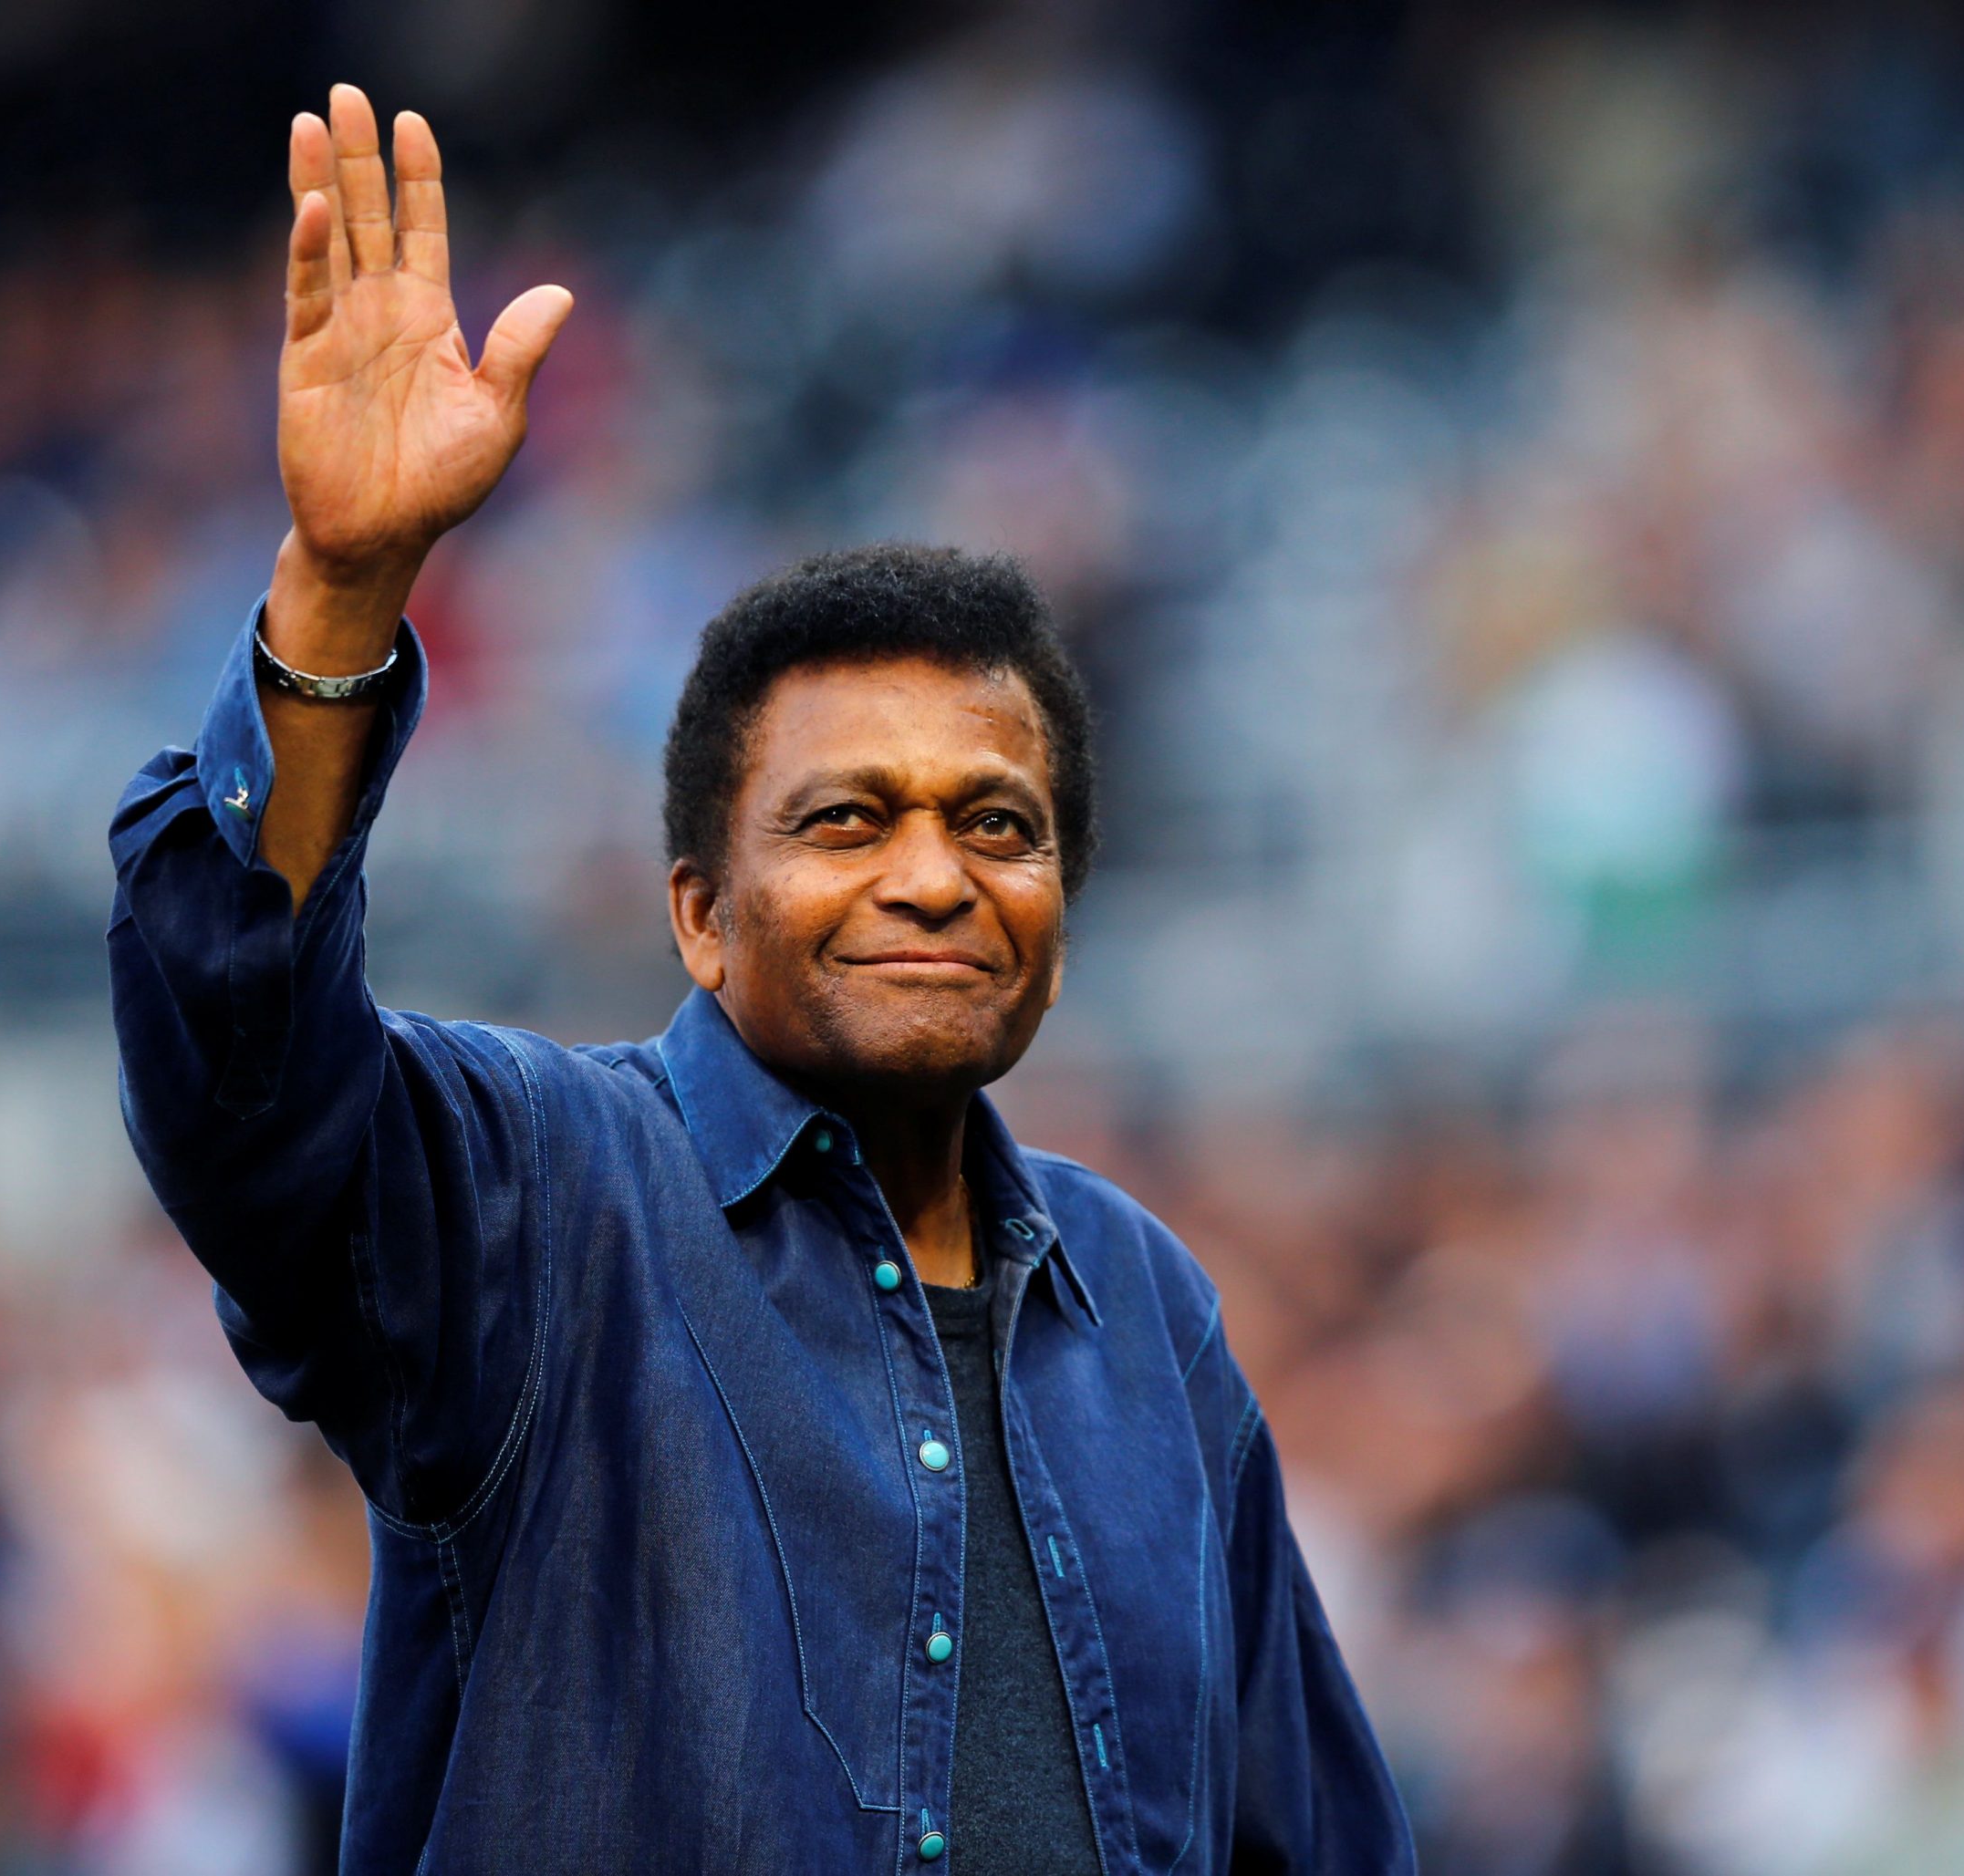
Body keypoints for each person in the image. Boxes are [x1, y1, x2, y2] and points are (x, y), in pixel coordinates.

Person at [109, 83, 1415, 1876]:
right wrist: (338, 599)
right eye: (848, 819)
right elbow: (238, 1091)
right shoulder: (545, 1196)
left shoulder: (1147, 1316)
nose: (935, 877)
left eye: (998, 827)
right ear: (698, 916)